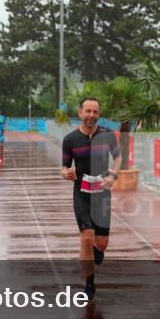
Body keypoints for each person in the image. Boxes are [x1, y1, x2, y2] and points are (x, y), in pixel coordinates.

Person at [61, 97, 121, 300]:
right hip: (82, 193)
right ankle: (89, 283)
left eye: (95, 111)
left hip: (102, 194)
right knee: (86, 237)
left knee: (101, 243)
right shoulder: (70, 140)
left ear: (99, 114)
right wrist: (66, 173)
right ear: (80, 113)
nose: (91, 115)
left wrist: (113, 175)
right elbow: (64, 167)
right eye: (88, 111)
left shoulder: (107, 135)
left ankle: (98, 247)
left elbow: (118, 157)